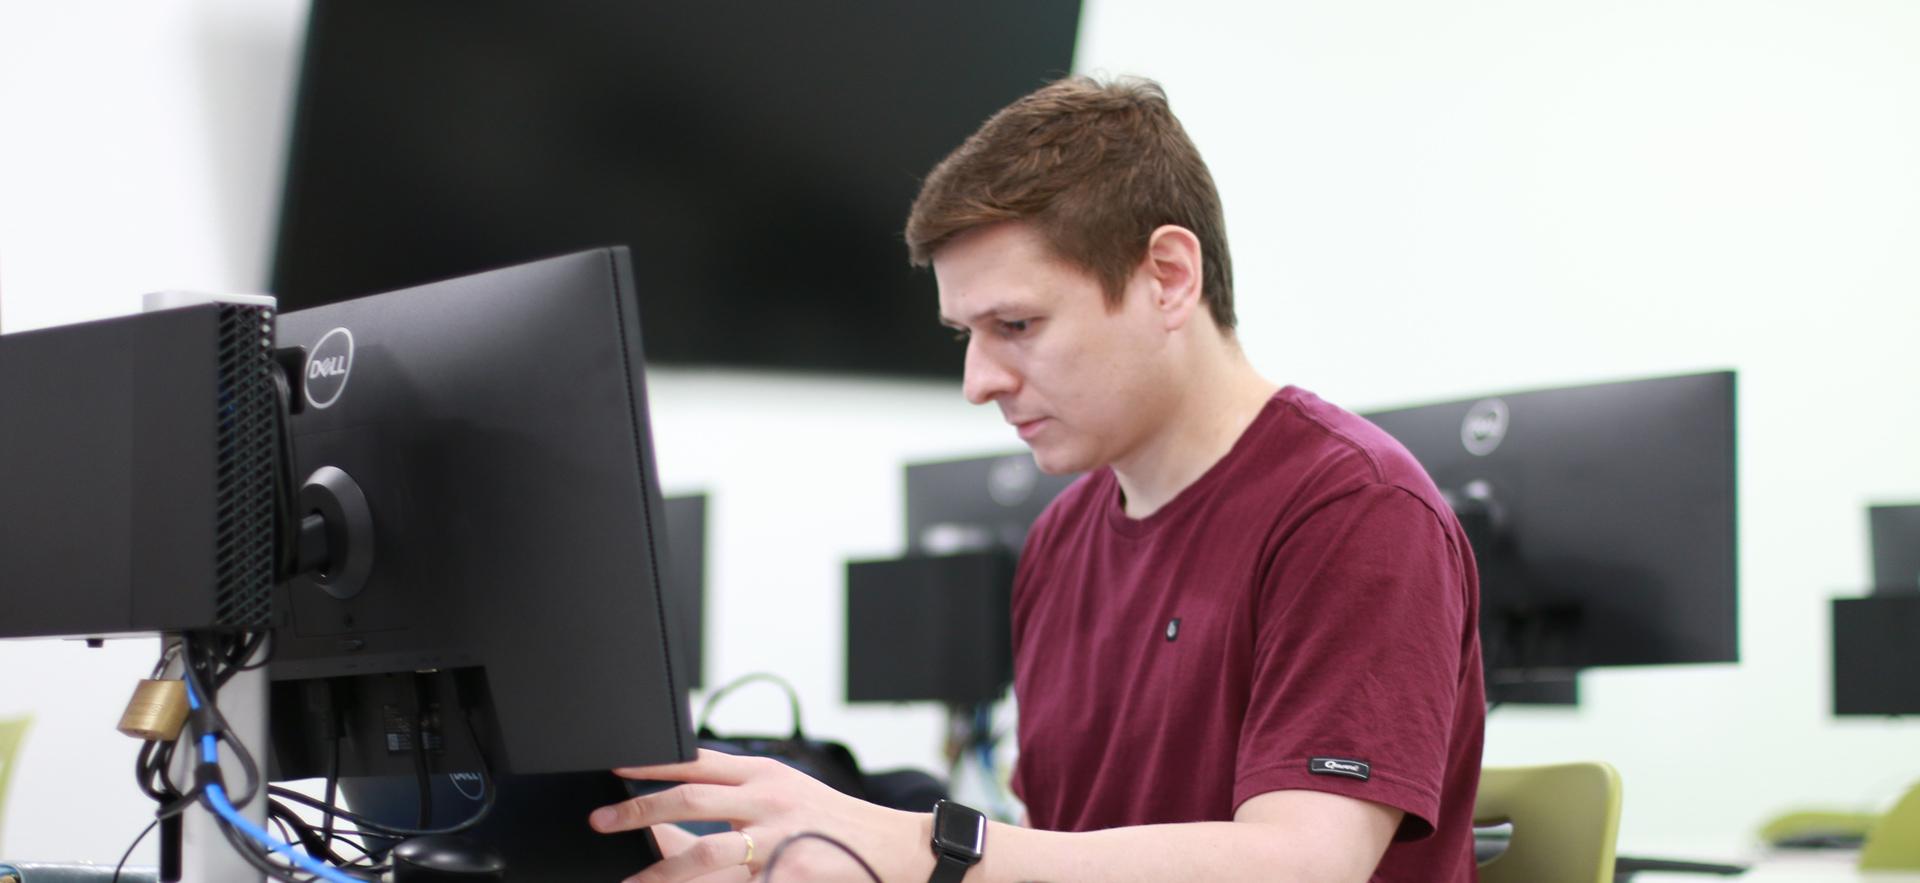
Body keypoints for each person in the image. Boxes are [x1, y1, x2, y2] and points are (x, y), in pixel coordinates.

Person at [591, 75, 1485, 883]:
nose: (979, 381)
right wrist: (789, 861)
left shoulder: (1355, 509)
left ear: (1168, 277)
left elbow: (1303, 863)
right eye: (965, 336)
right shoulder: (1060, 541)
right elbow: (1060, 851)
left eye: (1015, 324)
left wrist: (908, 844)